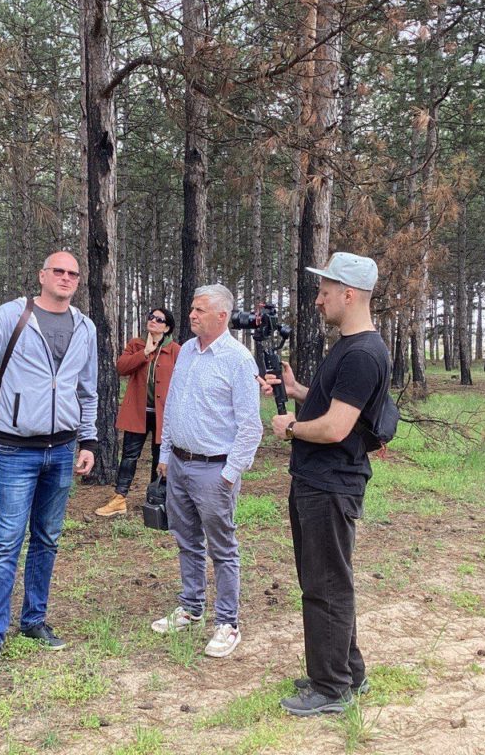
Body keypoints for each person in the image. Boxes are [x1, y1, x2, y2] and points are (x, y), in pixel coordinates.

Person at [0, 251, 98, 677]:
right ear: (42, 275)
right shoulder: (14, 314)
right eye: (59, 271)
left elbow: (86, 390)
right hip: (18, 449)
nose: (66, 278)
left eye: (73, 273)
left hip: (64, 449)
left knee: (47, 538)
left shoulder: (85, 327)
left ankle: (34, 621)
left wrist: (88, 439)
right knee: (6, 543)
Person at [265, 252, 391, 716]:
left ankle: (330, 688)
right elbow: (340, 406)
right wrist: (300, 392)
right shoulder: (349, 346)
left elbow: (337, 428)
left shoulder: (361, 352)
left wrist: (291, 427)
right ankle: (346, 672)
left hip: (330, 485)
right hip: (319, 480)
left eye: (325, 291)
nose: (318, 300)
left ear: (349, 295)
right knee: (327, 580)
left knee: (325, 585)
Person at [152, 284, 263, 658]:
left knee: (222, 548)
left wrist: (230, 473)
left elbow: (251, 425)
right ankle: (191, 608)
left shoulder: (237, 359)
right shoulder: (185, 352)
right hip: (180, 465)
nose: (192, 315)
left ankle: (227, 623)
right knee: (186, 541)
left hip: (215, 470)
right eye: (192, 309)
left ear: (221, 316)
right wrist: (166, 452)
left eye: (200, 310)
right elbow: (173, 406)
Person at [95, 307, 180, 517]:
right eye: (151, 317)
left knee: (159, 456)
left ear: (167, 327)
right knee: (129, 456)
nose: (153, 321)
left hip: (164, 415)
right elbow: (122, 367)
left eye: (159, 319)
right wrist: (145, 353)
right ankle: (119, 499)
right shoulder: (136, 344)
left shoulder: (176, 350)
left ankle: (156, 500)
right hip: (138, 411)